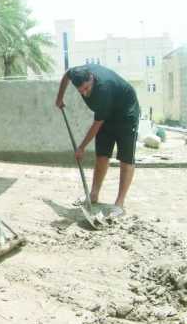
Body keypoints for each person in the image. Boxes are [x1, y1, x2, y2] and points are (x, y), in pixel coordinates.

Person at [55, 64, 140, 215]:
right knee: (102, 155)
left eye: (87, 88)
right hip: (107, 114)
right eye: (81, 91)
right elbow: (67, 74)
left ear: (92, 78)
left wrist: (81, 147)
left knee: (126, 158)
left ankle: (119, 204)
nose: (85, 93)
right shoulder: (76, 74)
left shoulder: (103, 89)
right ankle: (93, 195)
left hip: (126, 113)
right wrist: (59, 97)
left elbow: (97, 124)